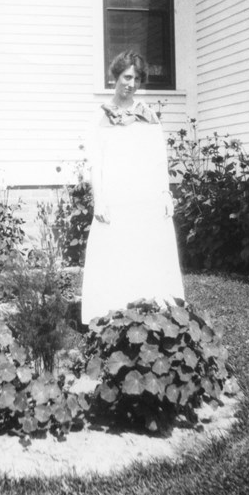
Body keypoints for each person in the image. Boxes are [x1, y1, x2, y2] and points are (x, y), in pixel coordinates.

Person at [81, 50, 184, 326]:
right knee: (115, 254)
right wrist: (98, 199)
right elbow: (96, 164)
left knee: (145, 253)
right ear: (115, 76)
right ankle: (109, 316)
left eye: (137, 78)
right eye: (127, 76)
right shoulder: (98, 119)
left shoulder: (147, 116)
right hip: (115, 199)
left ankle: (151, 313)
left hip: (144, 198)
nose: (131, 83)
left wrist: (165, 193)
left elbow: (159, 159)